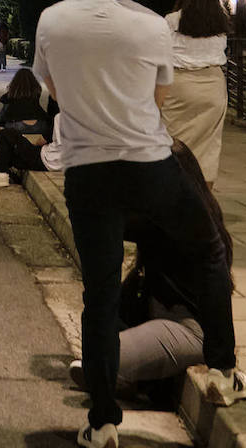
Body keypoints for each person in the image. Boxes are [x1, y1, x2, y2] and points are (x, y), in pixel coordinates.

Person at [32, 0, 246, 448]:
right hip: (150, 167)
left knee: (99, 295)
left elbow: (52, 89)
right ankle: (223, 368)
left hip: (89, 173)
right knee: (208, 250)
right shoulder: (151, 27)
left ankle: (103, 424)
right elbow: (159, 95)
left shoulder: (52, 20)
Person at [70, 140, 234, 402]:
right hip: (153, 313)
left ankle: (125, 376)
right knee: (95, 335)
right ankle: (132, 375)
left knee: (99, 362)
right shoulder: (159, 215)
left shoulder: (197, 228)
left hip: (189, 330)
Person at [160, 0, 229, 186]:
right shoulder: (221, 21)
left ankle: (176, 196)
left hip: (179, 84)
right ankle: (204, 199)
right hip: (213, 84)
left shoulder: (170, 21)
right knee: (209, 146)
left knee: (175, 141)